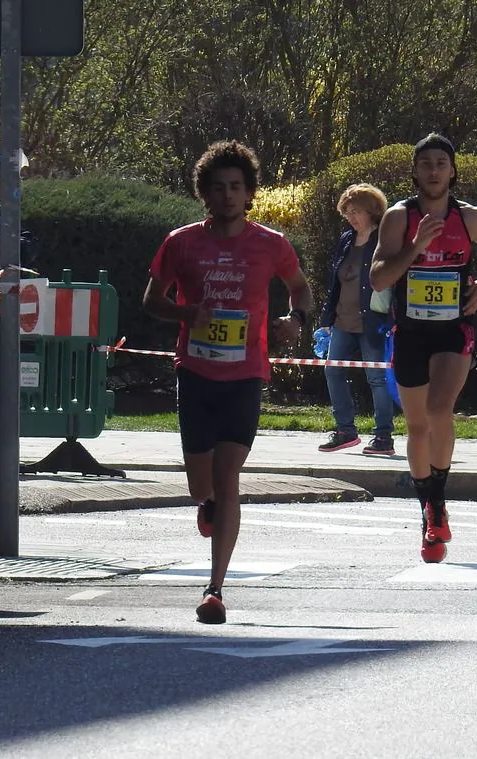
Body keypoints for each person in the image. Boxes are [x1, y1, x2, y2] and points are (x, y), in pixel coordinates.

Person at [141, 140, 314, 624]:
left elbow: (299, 286)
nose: (228, 196)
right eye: (218, 188)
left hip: (246, 374)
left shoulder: (271, 244)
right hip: (195, 373)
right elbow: (151, 301)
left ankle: (214, 588)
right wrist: (186, 313)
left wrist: (295, 318)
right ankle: (207, 503)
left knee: (228, 475)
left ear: (249, 192)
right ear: (206, 194)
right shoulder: (181, 242)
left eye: (236, 187)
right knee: (203, 483)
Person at [369, 133, 477, 564]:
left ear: (452, 171)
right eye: (425, 163)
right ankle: (427, 508)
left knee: (438, 410)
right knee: (416, 426)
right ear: (415, 171)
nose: (433, 171)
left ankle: (438, 501)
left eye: (441, 163)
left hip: (454, 329)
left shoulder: (472, 217)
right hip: (409, 331)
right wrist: (416, 248)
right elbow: (377, 279)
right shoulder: (398, 217)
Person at [317, 183, 396, 455]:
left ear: (372, 211)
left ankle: (384, 437)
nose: (351, 217)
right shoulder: (346, 240)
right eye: (347, 212)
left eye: (356, 211)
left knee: (377, 378)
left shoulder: (384, 240)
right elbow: (334, 283)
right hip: (342, 320)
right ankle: (345, 431)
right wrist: (326, 319)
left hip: (374, 321)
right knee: (332, 370)